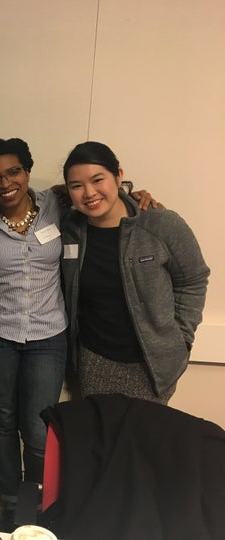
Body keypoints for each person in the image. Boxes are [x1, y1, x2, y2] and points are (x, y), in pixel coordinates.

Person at [61, 141, 209, 404]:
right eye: (76, 186)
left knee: (145, 442)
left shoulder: (160, 224)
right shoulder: (69, 228)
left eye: (98, 180)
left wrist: (181, 339)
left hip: (152, 366)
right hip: (94, 361)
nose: (89, 192)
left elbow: (193, 281)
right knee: (100, 442)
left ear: (118, 175)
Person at [0, 137, 68, 532]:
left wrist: (140, 197)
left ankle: (40, 502)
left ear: (27, 171)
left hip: (48, 335)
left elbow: (107, 199)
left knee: (39, 429)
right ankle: (12, 503)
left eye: (13, 172)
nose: (5, 183)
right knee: (3, 422)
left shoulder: (56, 205)